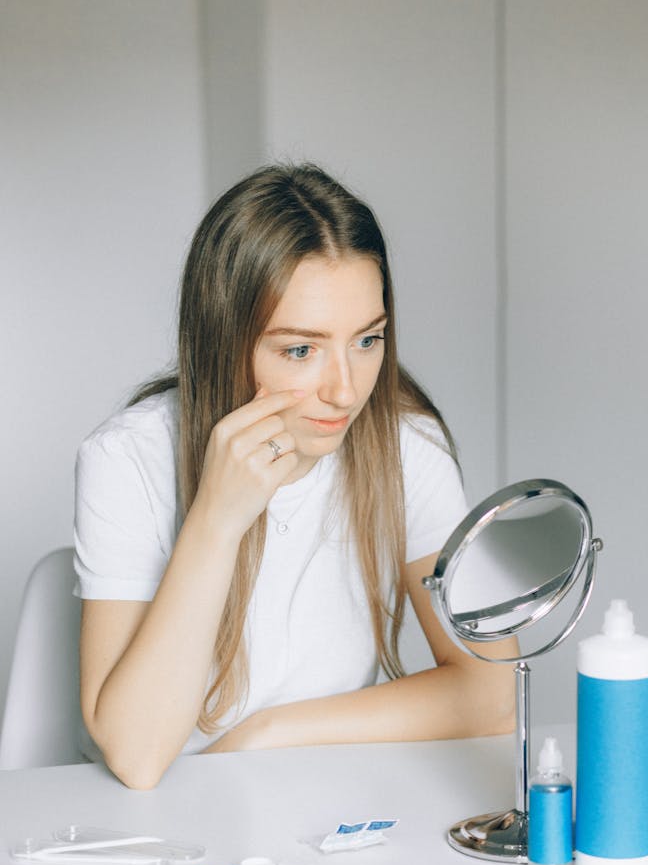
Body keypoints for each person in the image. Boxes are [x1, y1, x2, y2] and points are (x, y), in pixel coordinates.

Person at [74, 163, 515, 789]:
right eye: (301, 350)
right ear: (225, 343)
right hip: (155, 819)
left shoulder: (405, 445)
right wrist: (217, 518)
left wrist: (268, 735)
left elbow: (492, 693)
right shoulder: (126, 458)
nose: (344, 390)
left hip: (324, 795)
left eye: (368, 340)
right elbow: (136, 757)